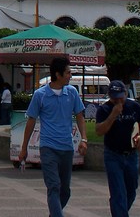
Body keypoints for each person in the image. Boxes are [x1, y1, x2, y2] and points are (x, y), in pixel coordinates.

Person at [18, 57, 89, 217]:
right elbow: (30, 121)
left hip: (67, 148)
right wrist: (24, 148)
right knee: (54, 186)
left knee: (65, 191)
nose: (71, 75)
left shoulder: (71, 92)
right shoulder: (40, 95)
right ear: (58, 74)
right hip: (48, 148)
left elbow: (79, 115)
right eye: (68, 72)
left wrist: (83, 139)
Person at [95, 79, 140, 217]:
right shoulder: (104, 109)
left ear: (125, 93)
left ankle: (119, 212)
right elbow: (99, 131)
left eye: (120, 97)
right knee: (118, 192)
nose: (118, 101)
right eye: (114, 98)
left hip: (131, 154)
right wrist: (113, 115)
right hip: (113, 155)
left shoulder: (134, 106)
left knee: (131, 190)